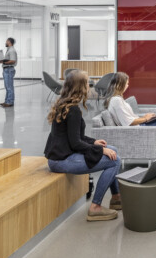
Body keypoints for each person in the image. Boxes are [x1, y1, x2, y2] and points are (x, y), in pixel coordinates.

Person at [44, 69, 122, 221]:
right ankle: (96, 207)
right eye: (87, 83)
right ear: (80, 86)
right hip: (61, 160)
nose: (89, 85)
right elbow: (76, 143)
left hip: (60, 155)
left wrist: (93, 142)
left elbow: (75, 138)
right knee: (115, 161)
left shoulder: (64, 104)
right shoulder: (73, 110)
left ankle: (116, 197)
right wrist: (100, 149)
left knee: (114, 150)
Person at [0, 37, 17, 108]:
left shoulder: (11, 50)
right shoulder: (9, 50)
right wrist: (1, 61)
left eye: (6, 41)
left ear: (9, 42)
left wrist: (3, 61)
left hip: (9, 69)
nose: (5, 42)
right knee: (7, 86)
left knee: (9, 87)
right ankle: (7, 101)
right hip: (7, 69)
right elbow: (8, 60)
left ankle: (10, 102)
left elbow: (13, 61)